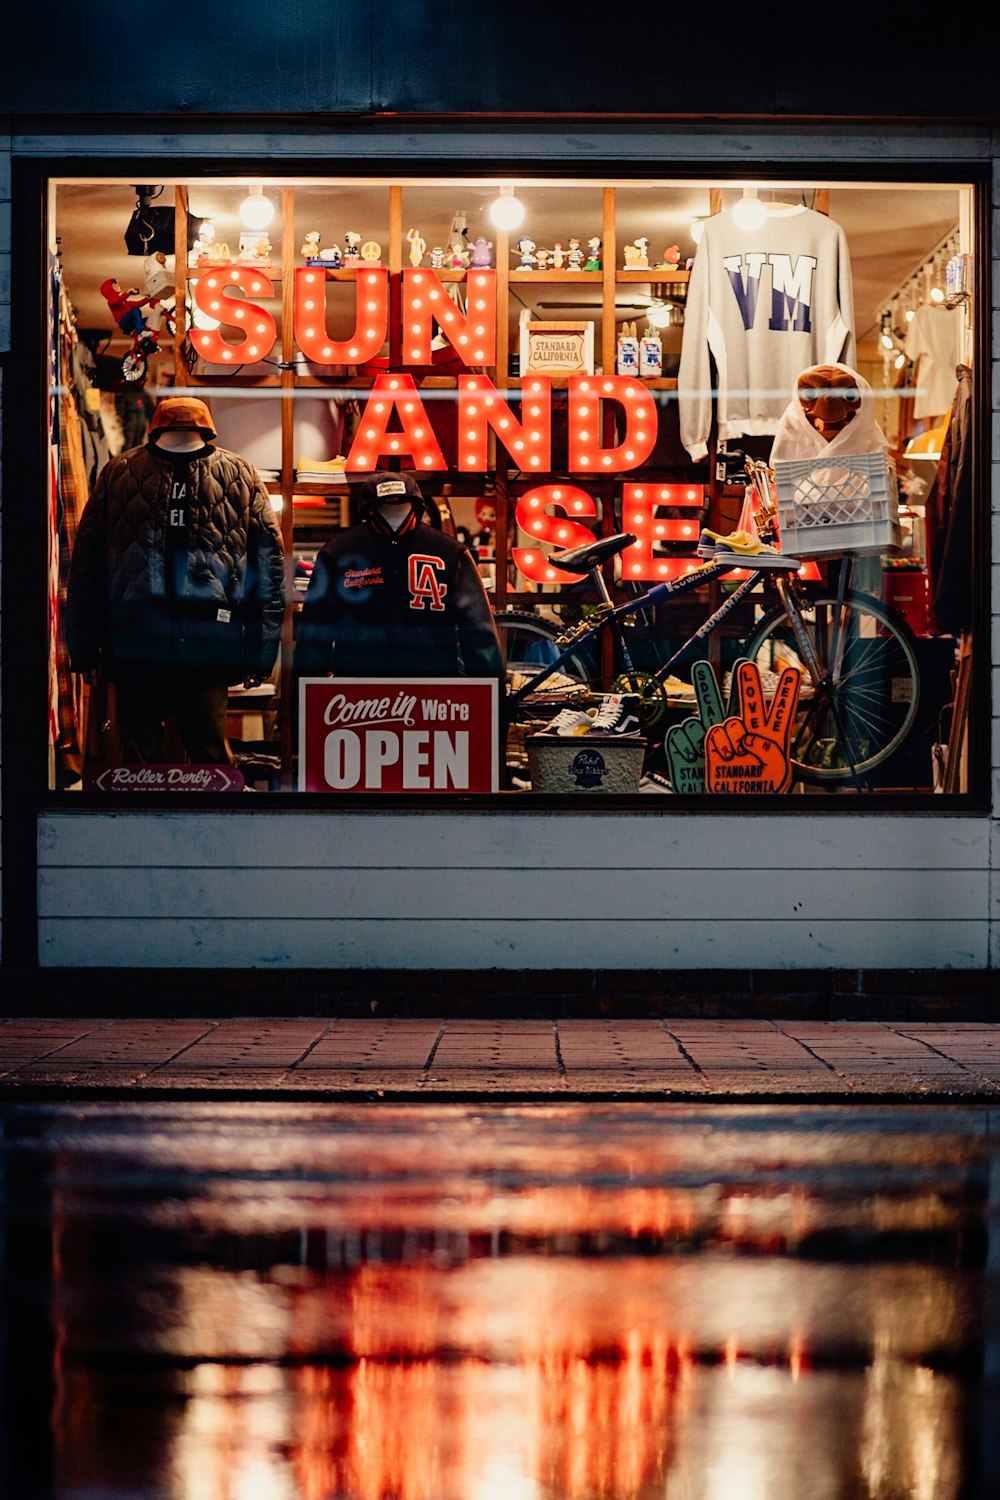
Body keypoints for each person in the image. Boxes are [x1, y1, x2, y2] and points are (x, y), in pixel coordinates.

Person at [66, 395, 285, 764]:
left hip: (177, 643)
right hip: (161, 642)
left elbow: (269, 569)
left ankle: (174, 820)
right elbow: (87, 563)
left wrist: (85, 649)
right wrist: (84, 647)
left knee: (170, 757)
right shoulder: (121, 472)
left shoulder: (235, 474)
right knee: (192, 756)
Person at [293, 469, 503, 685]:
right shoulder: (337, 554)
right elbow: (313, 638)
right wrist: (305, 703)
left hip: (435, 698)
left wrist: (491, 703)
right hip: (358, 700)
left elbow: (479, 636)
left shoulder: (451, 553)